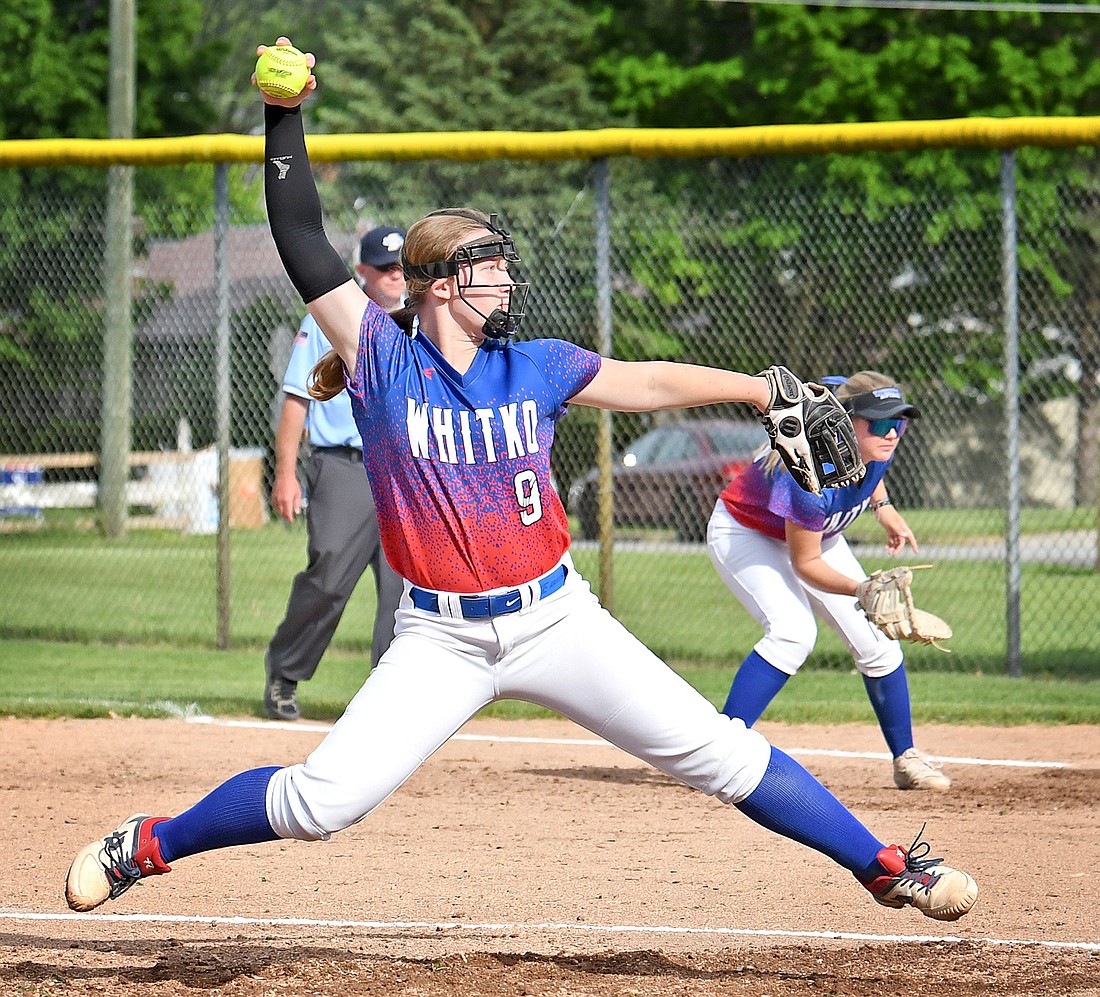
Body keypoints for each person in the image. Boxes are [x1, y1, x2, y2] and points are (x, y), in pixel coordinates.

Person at [62, 39, 978, 924]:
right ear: (437, 286)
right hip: (440, 639)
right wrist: (282, 117)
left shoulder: (534, 364)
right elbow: (299, 232)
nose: (505, 281)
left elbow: (651, 380)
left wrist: (767, 386)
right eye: (486, 267)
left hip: (556, 617)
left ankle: (887, 865)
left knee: (720, 753)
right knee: (322, 800)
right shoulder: (379, 357)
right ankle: (148, 843)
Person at [708, 371, 951, 791]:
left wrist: (885, 508)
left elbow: (870, 469)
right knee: (793, 633)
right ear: (845, 421)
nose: (892, 433)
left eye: (900, 423)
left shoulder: (876, 443)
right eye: (879, 423)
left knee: (876, 639)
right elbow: (807, 564)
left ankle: (906, 758)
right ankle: (716, 754)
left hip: (818, 535)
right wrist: (863, 589)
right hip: (747, 533)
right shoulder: (806, 475)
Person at [263, 225, 408, 722]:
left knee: (407, 592)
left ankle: (390, 702)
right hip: (344, 468)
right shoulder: (330, 318)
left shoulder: (423, 323)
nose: (395, 276)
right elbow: (296, 400)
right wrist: (286, 474)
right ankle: (284, 673)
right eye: (385, 268)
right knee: (327, 578)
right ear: (362, 271)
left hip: (405, 473)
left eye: (401, 267)